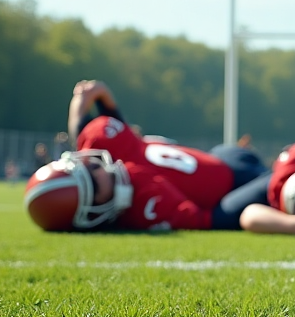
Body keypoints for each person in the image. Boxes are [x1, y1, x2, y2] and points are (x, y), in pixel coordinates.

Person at [24, 80, 272, 233]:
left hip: (220, 156)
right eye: (94, 180)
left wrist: (91, 93)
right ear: (92, 214)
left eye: (87, 166)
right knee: (286, 176)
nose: (99, 168)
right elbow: (206, 219)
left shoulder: (100, 148)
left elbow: (82, 119)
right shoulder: (142, 206)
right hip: (234, 187)